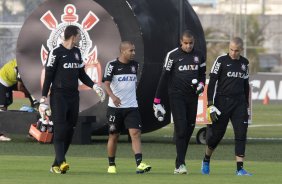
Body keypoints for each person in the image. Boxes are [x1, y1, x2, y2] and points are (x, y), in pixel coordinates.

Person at [40, 25, 105, 174]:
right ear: (74, 36)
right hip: (58, 96)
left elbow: (81, 74)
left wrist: (95, 86)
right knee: (60, 129)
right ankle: (62, 162)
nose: (80, 38)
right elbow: (49, 75)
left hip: (73, 96)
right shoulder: (55, 52)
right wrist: (43, 98)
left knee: (70, 129)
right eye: (79, 35)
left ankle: (56, 164)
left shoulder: (76, 52)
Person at [153, 30, 206, 174]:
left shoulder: (199, 55)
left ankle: (179, 162)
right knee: (181, 128)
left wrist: (201, 85)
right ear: (181, 42)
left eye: (191, 43)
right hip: (176, 96)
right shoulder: (173, 55)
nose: (188, 46)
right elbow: (164, 77)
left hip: (192, 96)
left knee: (189, 129)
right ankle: (181, 164)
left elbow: (202, 74)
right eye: (186, 43)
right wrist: (157, 100)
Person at [202, 37, 252, 176]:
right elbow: (212, 83)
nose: (233, 53)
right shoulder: (221, 60)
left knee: (241, 134)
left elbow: (245, 86)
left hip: (239, 104)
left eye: (236, 50)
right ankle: (206, 159)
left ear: (241, 50)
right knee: (216, 135)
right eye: (231, 49)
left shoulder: (244, 63)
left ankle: (240, 169)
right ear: (229, 48)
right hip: (222, 102)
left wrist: (246, 105)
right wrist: (210, 104)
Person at [103, 41, 151, 174]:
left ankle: (140, 164)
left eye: (134, 50)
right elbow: (106, 83)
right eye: (131, 50)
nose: (133, 53)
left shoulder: (135, 65)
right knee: (114, 136)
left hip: (131, 107)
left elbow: (133, 83)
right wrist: (113, 97)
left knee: (135, 133)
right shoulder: (112, 65)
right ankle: (111, 164)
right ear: (123, 51)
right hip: (115, 108)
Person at [0, 58, 39, 141]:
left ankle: (34, 130)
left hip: (12, 81)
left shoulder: (31, 65)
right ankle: (0, 134)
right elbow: (20, 87)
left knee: (34, 100)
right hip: (3, 81)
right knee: (2, 107)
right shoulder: (23, 67)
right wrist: (31, 93)